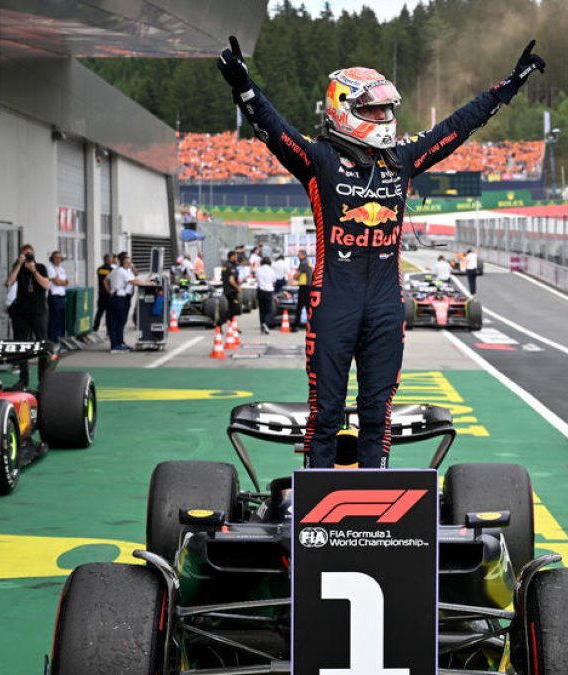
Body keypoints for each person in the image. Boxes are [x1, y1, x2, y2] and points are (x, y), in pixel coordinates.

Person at [218, 34, 544, 468]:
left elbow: (458, 126)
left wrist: (508, 87)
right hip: (334, 300)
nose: (383, 116)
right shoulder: (318, 160)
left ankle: (378, 502)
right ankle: (319, 503)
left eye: (387, 108)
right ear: (343, 110)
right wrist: (243, 85)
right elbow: (273, 129)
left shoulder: (401, 159)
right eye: (372, 109)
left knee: (378, 413)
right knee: (326, 413)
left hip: (386, 305)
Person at [5, 243, 51, 386]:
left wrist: (34, 271)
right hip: (21, 313)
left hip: (39, 312)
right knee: (20, 345)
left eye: (29, 254)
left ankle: (43, 379)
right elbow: (9, 282)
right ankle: (23, 378)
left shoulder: (41, 267)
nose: (27, 257)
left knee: (42, 345)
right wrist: (18, 265)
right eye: (24, 255)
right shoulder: (18, 269)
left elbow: (46, 285)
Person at [106, 251, 151, 352]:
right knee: (117, 322)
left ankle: (120, 342)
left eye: (130, 261)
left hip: (124, 298)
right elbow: (133, 282)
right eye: (128, 261)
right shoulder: (120, 270)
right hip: (118, 298)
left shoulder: (126, 270)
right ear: (123, 261)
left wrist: (132, 268)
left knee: (121, 322)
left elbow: (135, 275)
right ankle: (115, 345)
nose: (130, 262)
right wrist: (148, 283)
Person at [46, 250, 70, 342]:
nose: (58, 259)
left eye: (60, 258)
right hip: (54, 297)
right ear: (52, 259)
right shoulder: (50, 268)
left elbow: (67, 282)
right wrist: (61, 282)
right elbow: (56, 282)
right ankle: (52, 340)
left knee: (61, 319)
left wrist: (61, 282)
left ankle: (59, 339)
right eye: (56, 257)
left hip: (62, 297)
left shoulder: (61, 269)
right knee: (54, 319)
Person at [94, 253, 115, 333]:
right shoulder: (108, 270)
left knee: (101, 312)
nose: (110, 261)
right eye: (109, 259)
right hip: (106, 294)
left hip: (102, 294)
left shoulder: (100, 269)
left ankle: (96, 328)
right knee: (106, 313)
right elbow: (108, 280)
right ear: (106, 260)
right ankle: (107, 330)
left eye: (110, 259)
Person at [256, 256, 277, 335]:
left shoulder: (258, 270)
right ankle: (266, 323)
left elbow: (257, 280)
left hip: (260, 291)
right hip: (269, 291)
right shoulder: (271, 271)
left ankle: (262, 326)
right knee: (269, 310)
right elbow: (274, 281)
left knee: (261, 310)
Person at [294, 249, 312, 328]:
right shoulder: (308, 263)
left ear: (304, 255)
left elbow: (296, 275)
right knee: (308, 307)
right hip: (309, 287)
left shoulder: (303, 263)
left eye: (299, 255)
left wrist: (295, 276)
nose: (298, 256)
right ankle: (311, 325)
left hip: (304, 287)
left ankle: (296, 325)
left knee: (299, 307)